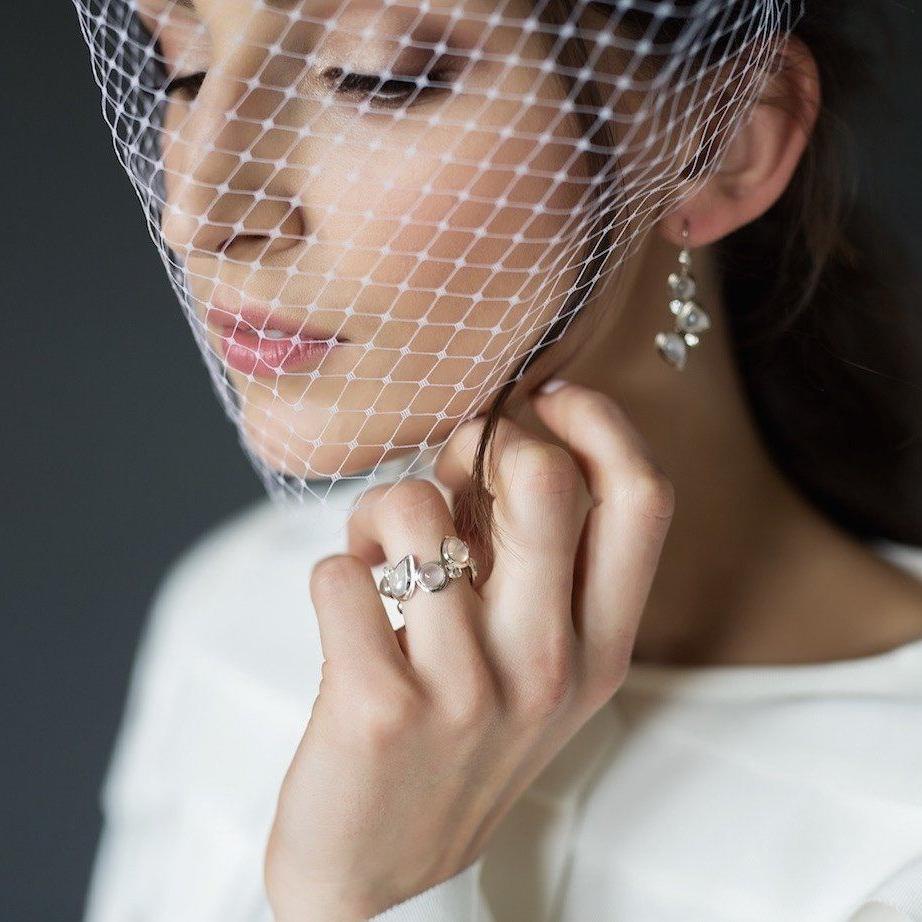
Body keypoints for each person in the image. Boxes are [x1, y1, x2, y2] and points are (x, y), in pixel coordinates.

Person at [73, 1, 922, 919]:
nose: (197, 213)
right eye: (185, 71)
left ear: (724, 144)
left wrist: (360, 897)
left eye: (375, 77)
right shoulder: (243, 612)